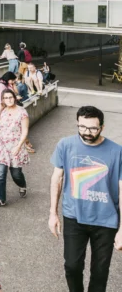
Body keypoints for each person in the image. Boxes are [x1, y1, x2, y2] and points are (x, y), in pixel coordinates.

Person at [49, 106, 122, 292]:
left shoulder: (117, 151)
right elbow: (57, 179)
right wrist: (53, 214)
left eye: (93, 128)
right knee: (72, 266)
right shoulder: (65, 145)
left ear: (102, 127)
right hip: (74, 216)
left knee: (100, 272)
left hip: (106, 220)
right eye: (82, 127)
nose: (87, 132)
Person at [0, 89, 29, 207]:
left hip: (15, 146)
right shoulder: (2, 110)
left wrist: (19, 146)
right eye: (6, 98)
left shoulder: (22, 112)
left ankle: (22, 185)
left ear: (14, 98)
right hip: (0, 146)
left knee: (16, 174)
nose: (8, 100)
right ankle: (0, 199)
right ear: (2, 100)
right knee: (0, 174)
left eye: (10, 97)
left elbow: (25, 131)